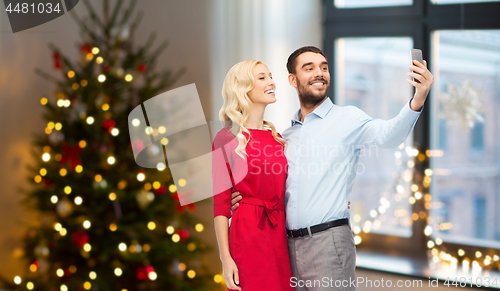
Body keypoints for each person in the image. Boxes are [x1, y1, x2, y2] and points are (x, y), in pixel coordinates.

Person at [230, 46, 434, 290]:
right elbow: (272, 186)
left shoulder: (347, 118)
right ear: (292, 80)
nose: (320, 73)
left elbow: (388, 136)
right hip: (285, 247)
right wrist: (241, 200)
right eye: (310, 68)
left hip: (328, 242)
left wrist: (418, 98)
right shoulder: (285, 136)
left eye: (324, 67)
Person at [212, 60, 294, 291]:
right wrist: (225, 260)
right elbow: (220, 206)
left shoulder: (277, 138)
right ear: (243, 88)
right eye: (262, 78)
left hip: (279, 233)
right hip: (247, 233)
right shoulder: (226, 137)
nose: (271, 82)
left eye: (270, 76)